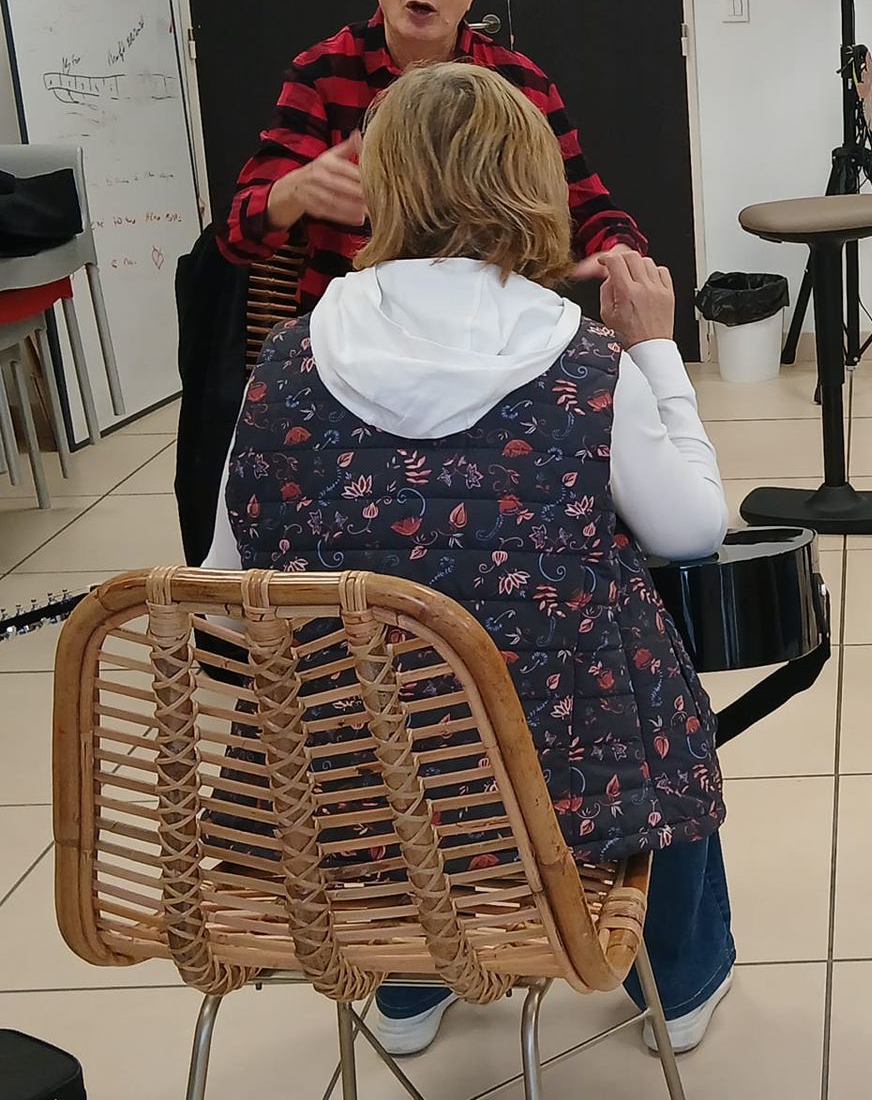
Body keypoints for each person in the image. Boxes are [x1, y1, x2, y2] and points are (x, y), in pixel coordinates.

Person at [205, 62, 735, 1055]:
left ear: (386, 186)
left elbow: (232, 600)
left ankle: (408, 988)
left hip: (353, 794)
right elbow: (691, 531)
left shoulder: (280, 366)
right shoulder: (583, 364)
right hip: (571, 789)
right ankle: (683, 977)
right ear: (529, 183)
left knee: (373, 701)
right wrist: (656, 351)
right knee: (657, 681)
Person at [217, 0, 645, 308]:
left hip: (493, 325)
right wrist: (295, 191)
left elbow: (589, 205)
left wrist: (621, 249)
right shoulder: (324, 73)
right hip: (358, 331)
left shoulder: (518, 82)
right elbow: (237, 238)